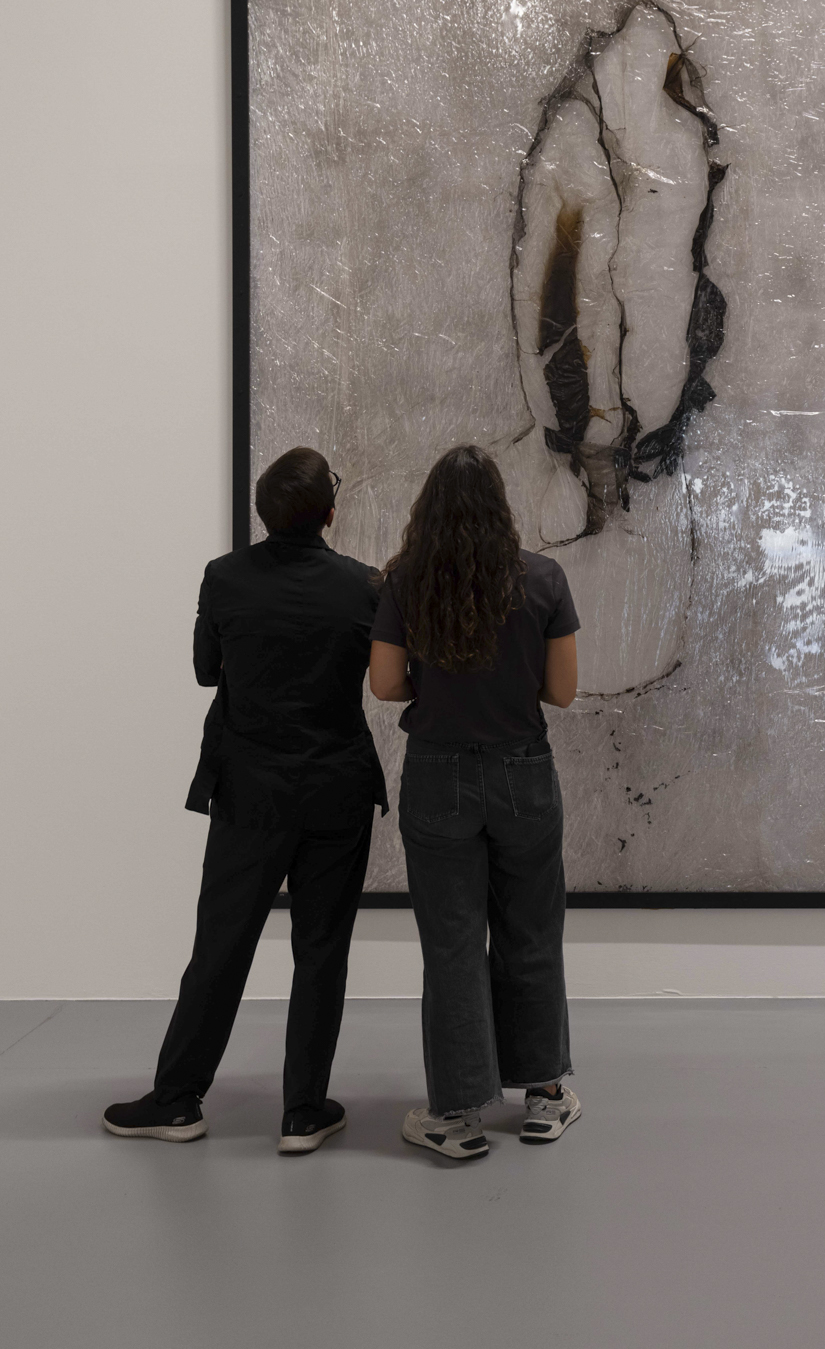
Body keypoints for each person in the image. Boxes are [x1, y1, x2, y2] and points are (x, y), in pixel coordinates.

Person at [102, 448, 386, 1154]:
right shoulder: (364, 586)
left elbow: (207, 671)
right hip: (337, 789)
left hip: (251, 791)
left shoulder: (224, 577)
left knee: (221, 946)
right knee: (322, 950)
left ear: (264, 512)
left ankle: (177, 1100)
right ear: (328, 513)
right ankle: (304, 1113)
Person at [370, 444, 581, 1161]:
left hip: (438, 773)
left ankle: (456, 1115)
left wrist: (435, 690)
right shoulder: (543, 579)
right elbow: (561, 692)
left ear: (428, 509)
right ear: (501, 505)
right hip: (523, 772)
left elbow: (384, 684)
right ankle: (544, 1098)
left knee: (453, 943)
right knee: (532, 933)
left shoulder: (405, 581)